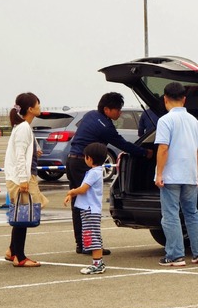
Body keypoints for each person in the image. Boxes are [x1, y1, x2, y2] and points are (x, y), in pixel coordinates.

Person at [66, 92, 153, 255]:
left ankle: (82, 244)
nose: (119, 113)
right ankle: (88, 245)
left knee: (78, 206)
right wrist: (144, 153)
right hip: (83, 164)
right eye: (117, 110)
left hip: (72, 161)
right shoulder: (105, 127)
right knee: (87, 206)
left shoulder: (91, 115)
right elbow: (122, 144)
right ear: (107, 109)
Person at [155, 82, 198, 266]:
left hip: (171, 176)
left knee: (170, 214)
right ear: (184, 99)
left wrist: (159, 173)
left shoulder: (165, 121)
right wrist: (196, 173)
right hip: (190, 175)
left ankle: (175, 255)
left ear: (165, 99)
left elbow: (163, 148)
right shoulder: (194, 121)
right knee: (192, 213)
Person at [4, 92, 49, 268]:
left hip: (22, 176)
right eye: (38, 104)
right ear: (30, 108)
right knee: (23, 216)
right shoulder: (23, 127)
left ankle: (12, 251)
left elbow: (25, 147)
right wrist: (23, 180)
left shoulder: (23, 126)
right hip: (21, 177)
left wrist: (36, 148)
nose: (40, 107)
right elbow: (21, 155)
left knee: (24, 212)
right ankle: (20, 257)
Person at [64, 143, 109, 275]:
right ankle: (98, 262)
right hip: (90, 209)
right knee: (93, 236)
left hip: (89, 209)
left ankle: (97, 264)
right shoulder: (96, 172)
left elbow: (83, 189)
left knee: (91, 236)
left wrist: (71, 192)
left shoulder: (93, 173)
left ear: (89, 158)